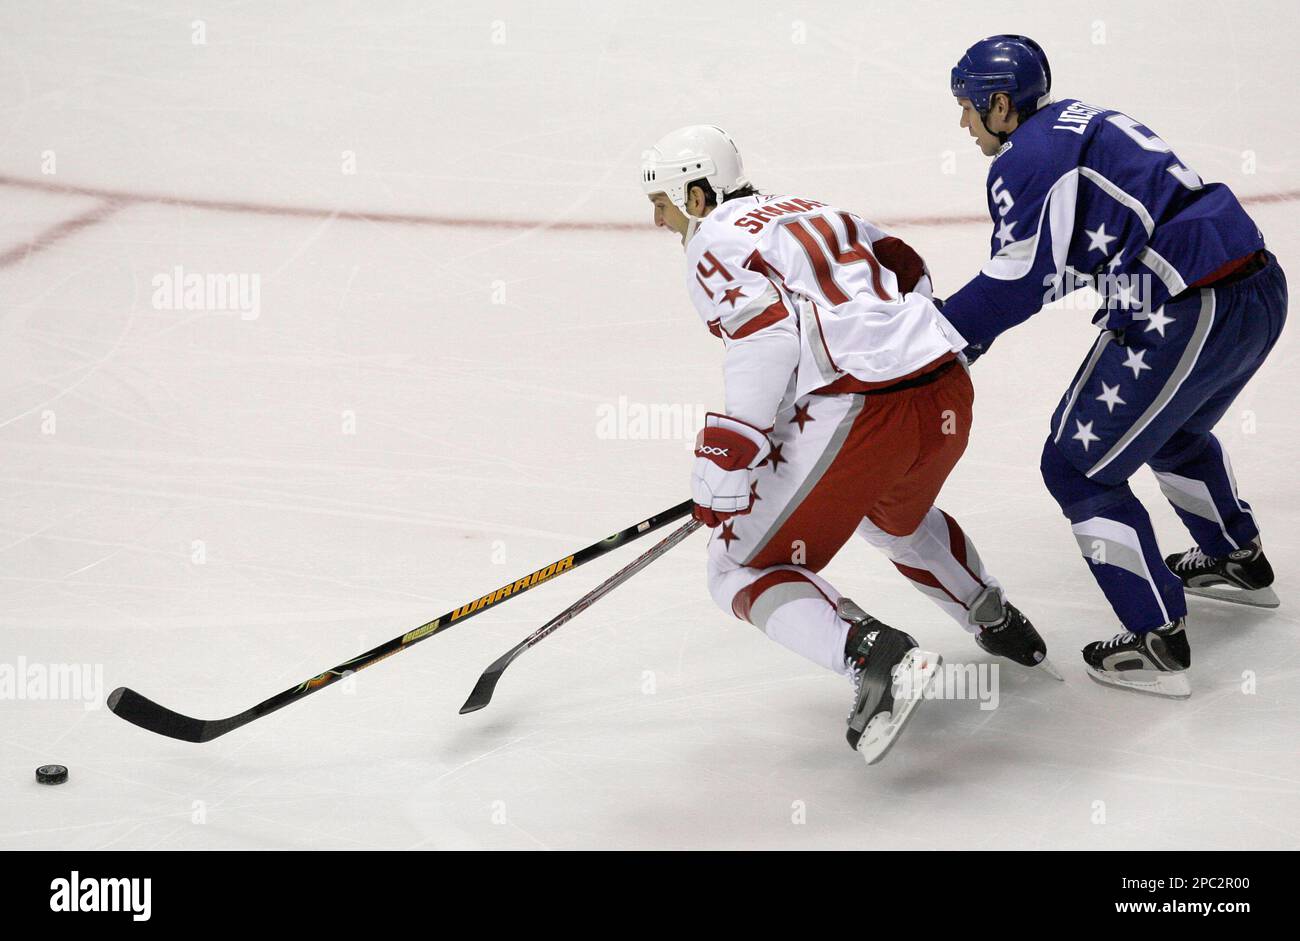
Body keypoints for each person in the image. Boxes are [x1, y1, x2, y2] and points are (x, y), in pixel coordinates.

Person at [640, 125, 1059, 764]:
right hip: (944, 389)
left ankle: (872, 654)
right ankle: (993, 616)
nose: (658, 218)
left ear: (698, 195)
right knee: (895, 515)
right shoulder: (815, 210)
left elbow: (766, 339)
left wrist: (731, 457)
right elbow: (907, 268)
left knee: (737, 565)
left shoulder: (713, 240)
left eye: (663, 202)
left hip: (868, 410)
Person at [942, 35, 1286, 698]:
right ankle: (1232, 557)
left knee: (1075, 466)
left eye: (967, 107)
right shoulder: (1077, 119)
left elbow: (1016, 283)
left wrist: (937, 335)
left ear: (1000, 104)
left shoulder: (1023, 161)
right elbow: (1068, 263)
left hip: (1185, 305)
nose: (963, 123)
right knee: (1171, 432)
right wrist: (964, 334)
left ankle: (1156, 639)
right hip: (1257, 286)